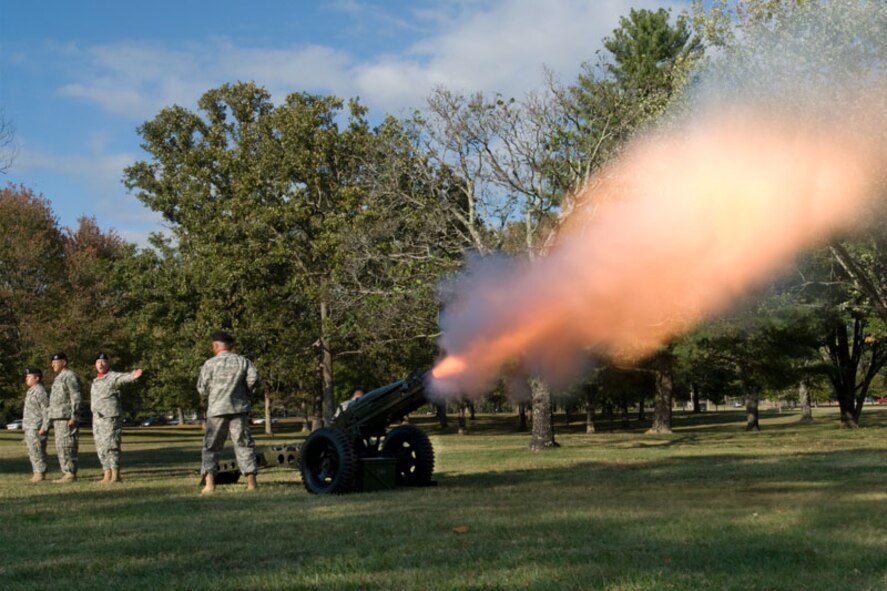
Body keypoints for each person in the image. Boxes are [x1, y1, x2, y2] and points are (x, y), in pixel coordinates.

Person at [197, 331, 260, 494]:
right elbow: (254, 379)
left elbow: (202, 389)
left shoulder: (209, 364)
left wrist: (214, 393)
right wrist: (244, 393)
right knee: (244, 444)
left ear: (216, 346)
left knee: (211, 446)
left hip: (216, 410)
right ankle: (251, 483)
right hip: (238, 409)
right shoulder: (243, 362)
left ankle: (210, 484)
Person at [91, 352, 144, 484]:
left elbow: (123, 378)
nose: (101, 364)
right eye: (98, 362)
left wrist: (132, 376)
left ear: (108, 363)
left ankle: (115, 474)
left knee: (111, 445)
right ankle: (106, 473)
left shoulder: (112, 377)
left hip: (110, 417)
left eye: (103, 361)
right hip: (98, 419)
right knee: (101, 447)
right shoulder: (96, 380)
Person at [48, 352, 82, 483]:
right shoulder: (59, 377)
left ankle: (70, 472)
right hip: (58, 417)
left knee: (67, 445)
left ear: (64, 362)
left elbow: (76, 396)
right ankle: (66, 472)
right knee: (60, 446)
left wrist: (74, 415)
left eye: (55, 362)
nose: (53, 365)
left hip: (67, 417)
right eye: (52, 363)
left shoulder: (70, 376)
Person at [22, 367, 50, 482]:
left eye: (29, 376)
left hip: (37, 427)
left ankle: (40, 473)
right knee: (32, 451)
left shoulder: (40, 391)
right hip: (30, 426)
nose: (26, 379)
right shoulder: (31, 391)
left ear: (37, 378)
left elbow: (47, 409)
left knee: (37, 450)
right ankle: (36, 471)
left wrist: (45, 426)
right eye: (26, 376)